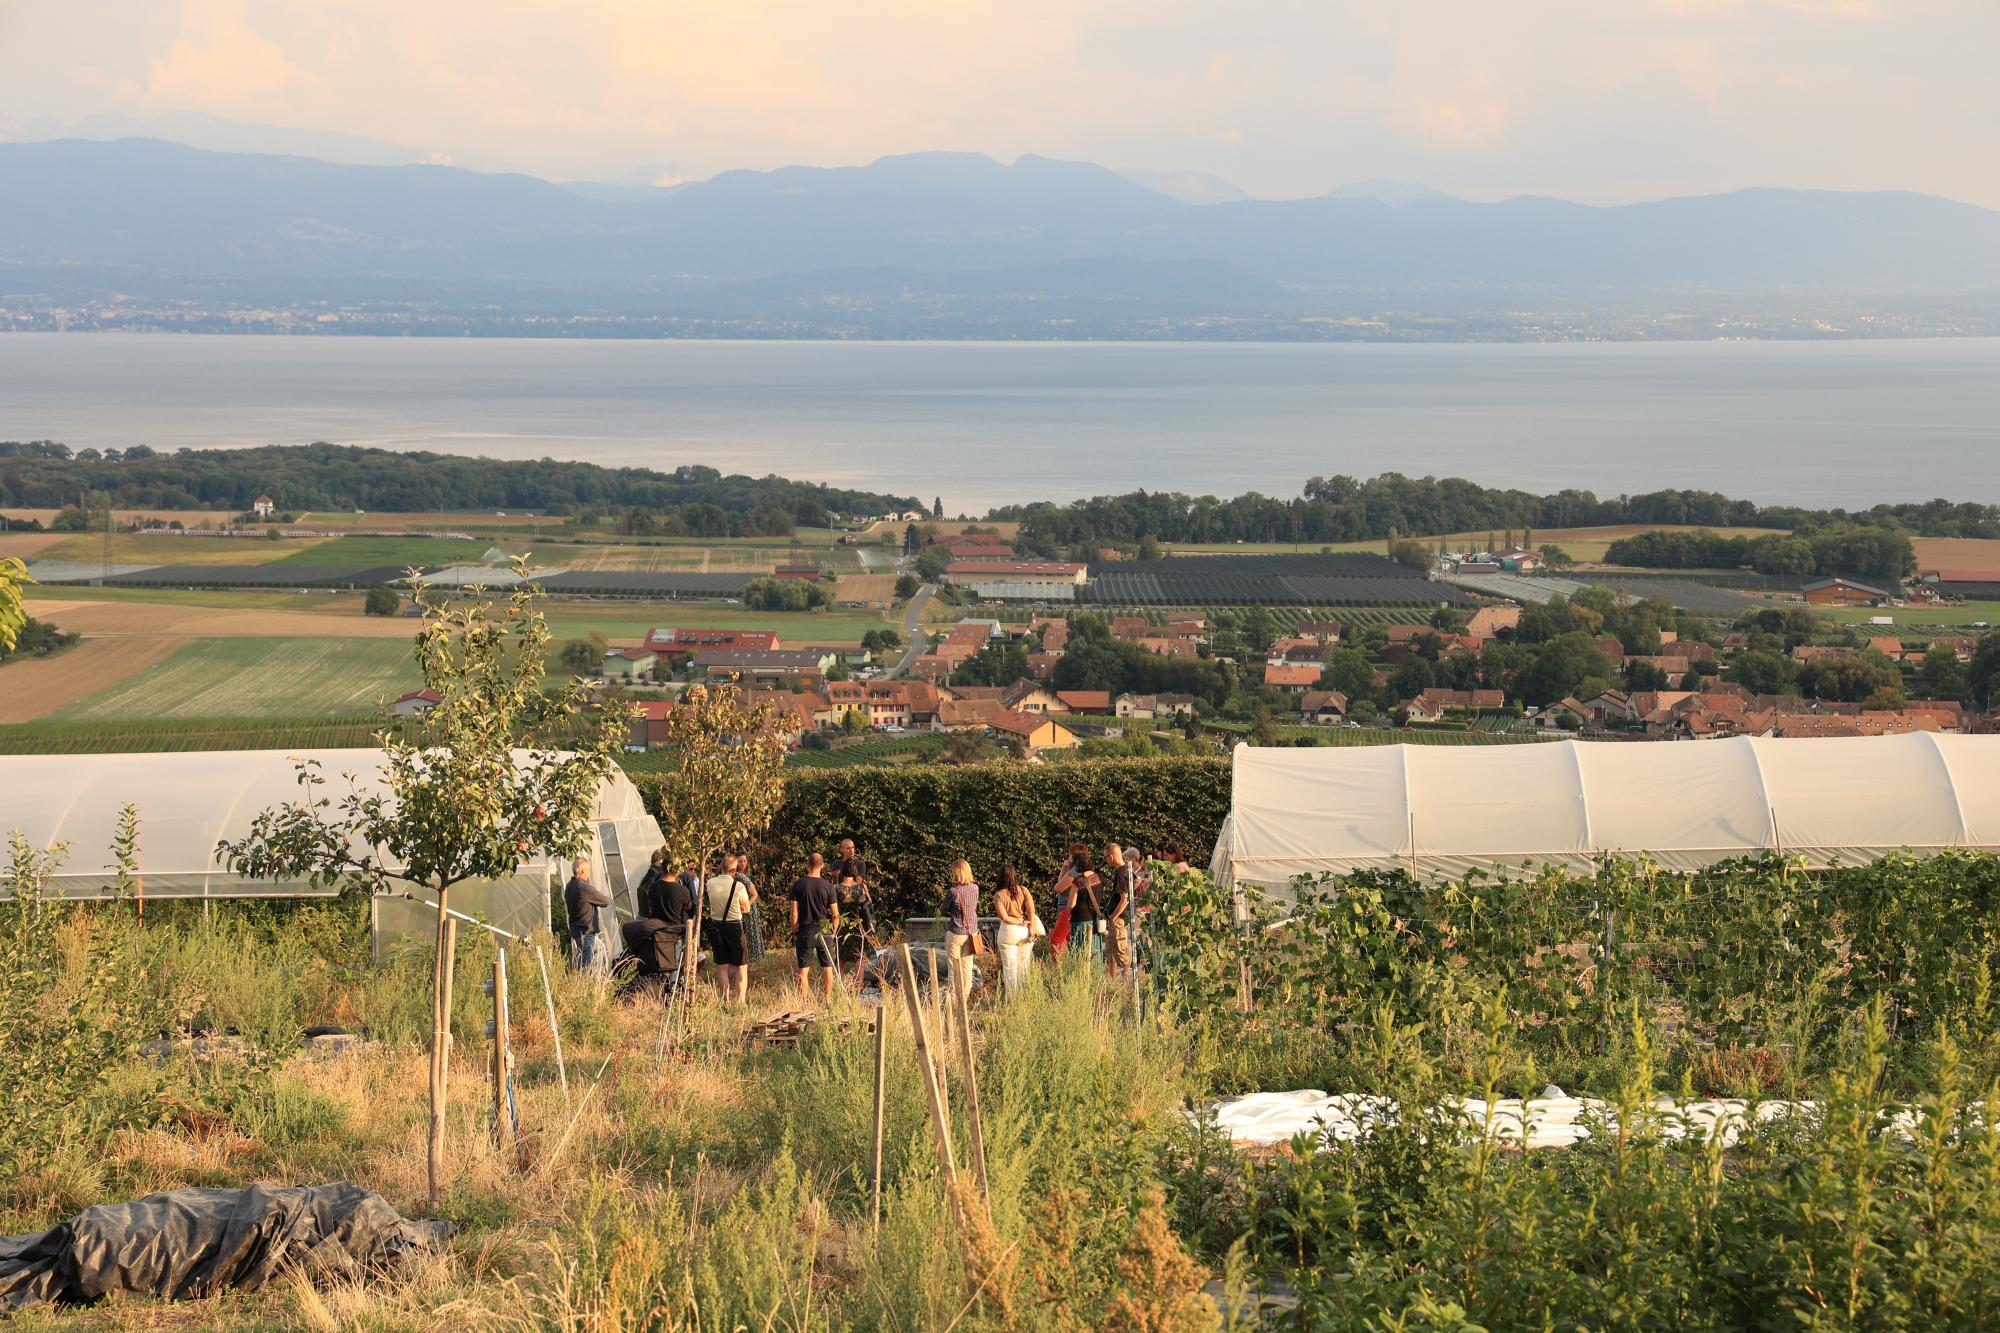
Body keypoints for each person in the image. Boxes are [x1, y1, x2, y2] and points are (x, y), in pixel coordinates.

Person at [704, 851, 756, 1005]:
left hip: (716, 926)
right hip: (734, 926)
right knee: (741, 966)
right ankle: (740, 1002)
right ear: (734, 870)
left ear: (721, 867)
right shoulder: (738, 885)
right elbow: (746, 908)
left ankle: (725, 1000)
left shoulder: (710, 883)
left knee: (722, 967)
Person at [789, 852, 840, 1003]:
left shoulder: (798, 884)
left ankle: (804, 1001)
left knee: (803, 971)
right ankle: (827, 999)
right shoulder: (828, 886)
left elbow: (794, 912)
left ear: (807, 864)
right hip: (824, 930)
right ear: (823, 866)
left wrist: (794, 931)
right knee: (827, 968)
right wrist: (834, 932)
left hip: (805, 930)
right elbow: (835, 914)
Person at [942, 858, 982, 1009]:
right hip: (971, 933)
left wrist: (953, 911)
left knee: (954, 969)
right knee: (967, 968)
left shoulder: (953, 891)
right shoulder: (975, 888)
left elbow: (944, 909)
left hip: (956, 933)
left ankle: (952, 1003)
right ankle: (963, 1002)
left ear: (957, 872)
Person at [1056, 845, 1103, 965]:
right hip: (1093, 917)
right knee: (1093, 950)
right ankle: (1094, 976)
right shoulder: (1098, 877)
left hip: (1078, 918)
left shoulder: (1077, 880)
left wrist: (1070, 910)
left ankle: (1063, 971)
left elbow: (1069, 902)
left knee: (1077, 949)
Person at [991, 864, 1034, 995]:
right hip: (1025, 930)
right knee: (1024, 965)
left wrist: (1017, 921)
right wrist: (1030, 927)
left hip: (1008, 931)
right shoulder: (1024, 890)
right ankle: (1025, 997)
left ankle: (1012, 999)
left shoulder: (998, 896)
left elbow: (1004, 917)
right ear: (1015, 875)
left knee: (1009, 967)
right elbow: (1031, 911)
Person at [564, 854, 611, 973]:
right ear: (583, 870)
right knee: (587, 967)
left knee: (579, 962)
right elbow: (605, 901)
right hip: (586, 931)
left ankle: (581, 987)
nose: (589, 872)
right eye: (588, 870)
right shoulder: (583, 887)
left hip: (575, 930)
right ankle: (587, 988)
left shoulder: (569, 886)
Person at [833, 838, 878, 939]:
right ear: (842, 850)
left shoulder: (860, 864)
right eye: (848, 848)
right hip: (841, 903)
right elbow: (833, 888)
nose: (851, 850)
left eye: (853, 847)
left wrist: (852, 870)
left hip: (855, 901)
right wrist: (835, 878)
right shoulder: (836, 864)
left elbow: (858, 884)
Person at [1102, 843, 1134, 977]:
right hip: (1116, 917)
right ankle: (1112, 980)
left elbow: (1124, 899)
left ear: (1110, 857)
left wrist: (1113, 917)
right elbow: (1136, 882)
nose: (1105, 860)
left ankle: (1128, 981)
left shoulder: (1121, 872)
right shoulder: (1126, 869)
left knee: (1121, 951)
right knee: (1111, 951)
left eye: (1105, 857)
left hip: (1118, 918)